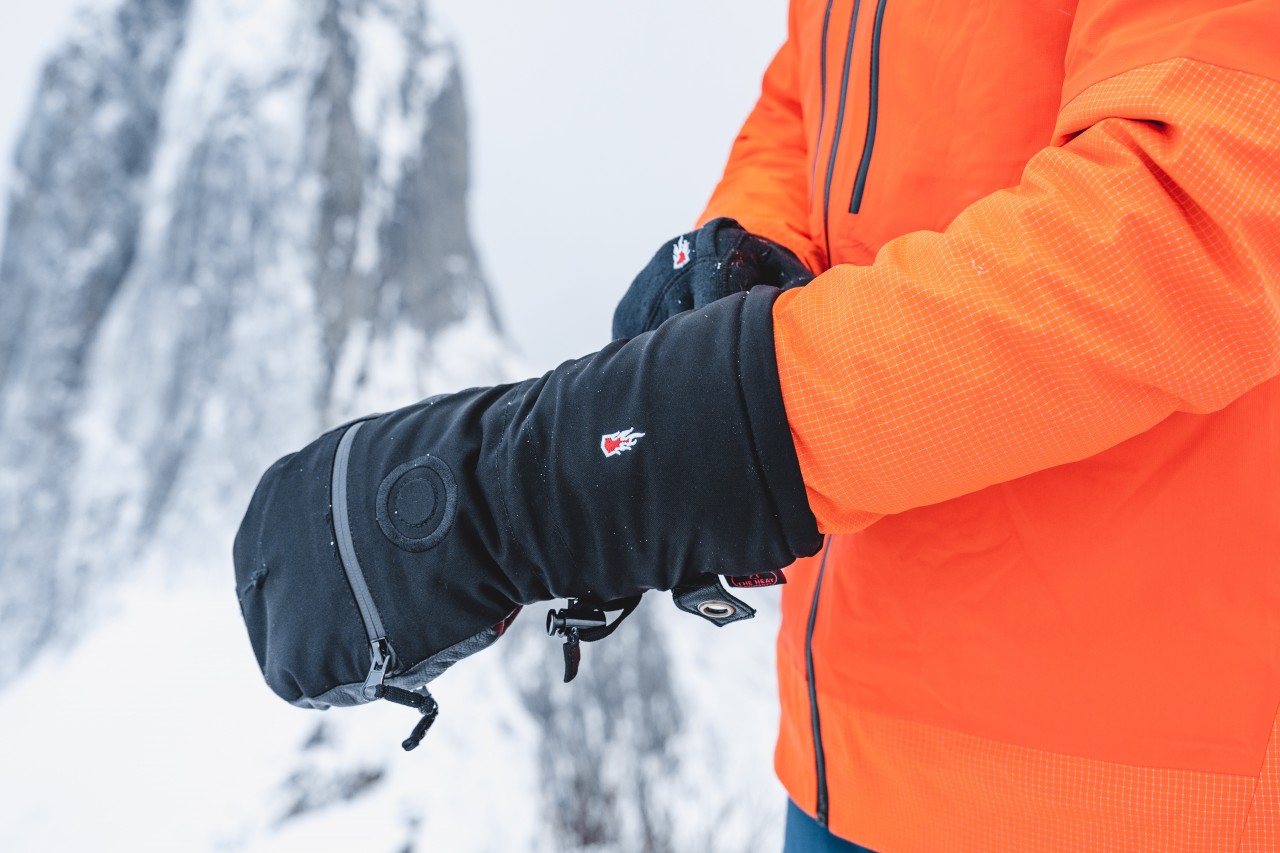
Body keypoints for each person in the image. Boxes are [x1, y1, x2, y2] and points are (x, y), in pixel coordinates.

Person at [235, 1, 1280, 850]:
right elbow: (823, 74)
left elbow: (1197, 208)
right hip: (851, 750)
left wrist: (584, 475)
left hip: (1116, 786)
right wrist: (749, 242)